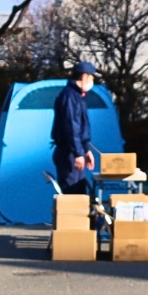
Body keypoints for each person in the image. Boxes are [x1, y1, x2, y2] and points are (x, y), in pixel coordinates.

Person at [51, 61, 97, 195]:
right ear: (84, 76)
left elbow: (81, 128)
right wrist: (78, 153)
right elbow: (71, 126)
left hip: (74, 151)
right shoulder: (70, 96)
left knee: (78, 192)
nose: (92, 82)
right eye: (91, 78)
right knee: (72, 195)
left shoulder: (77, 96)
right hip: (69, 152)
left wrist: (86, 150)